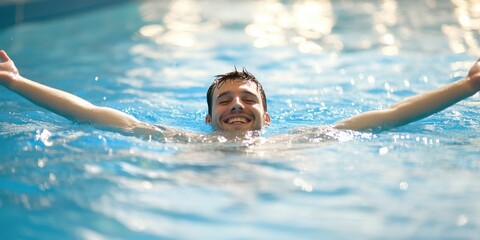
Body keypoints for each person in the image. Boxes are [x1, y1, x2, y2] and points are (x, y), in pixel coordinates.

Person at [1, 49, 479, 141]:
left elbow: (392, 116)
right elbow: (89, 114)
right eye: (225, 101)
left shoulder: (302, 139)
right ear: (208, 118)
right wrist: (16, 83)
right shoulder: (178, 141)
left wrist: (466, 86)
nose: (237, 105)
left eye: (249, 100)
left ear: (267, 118)